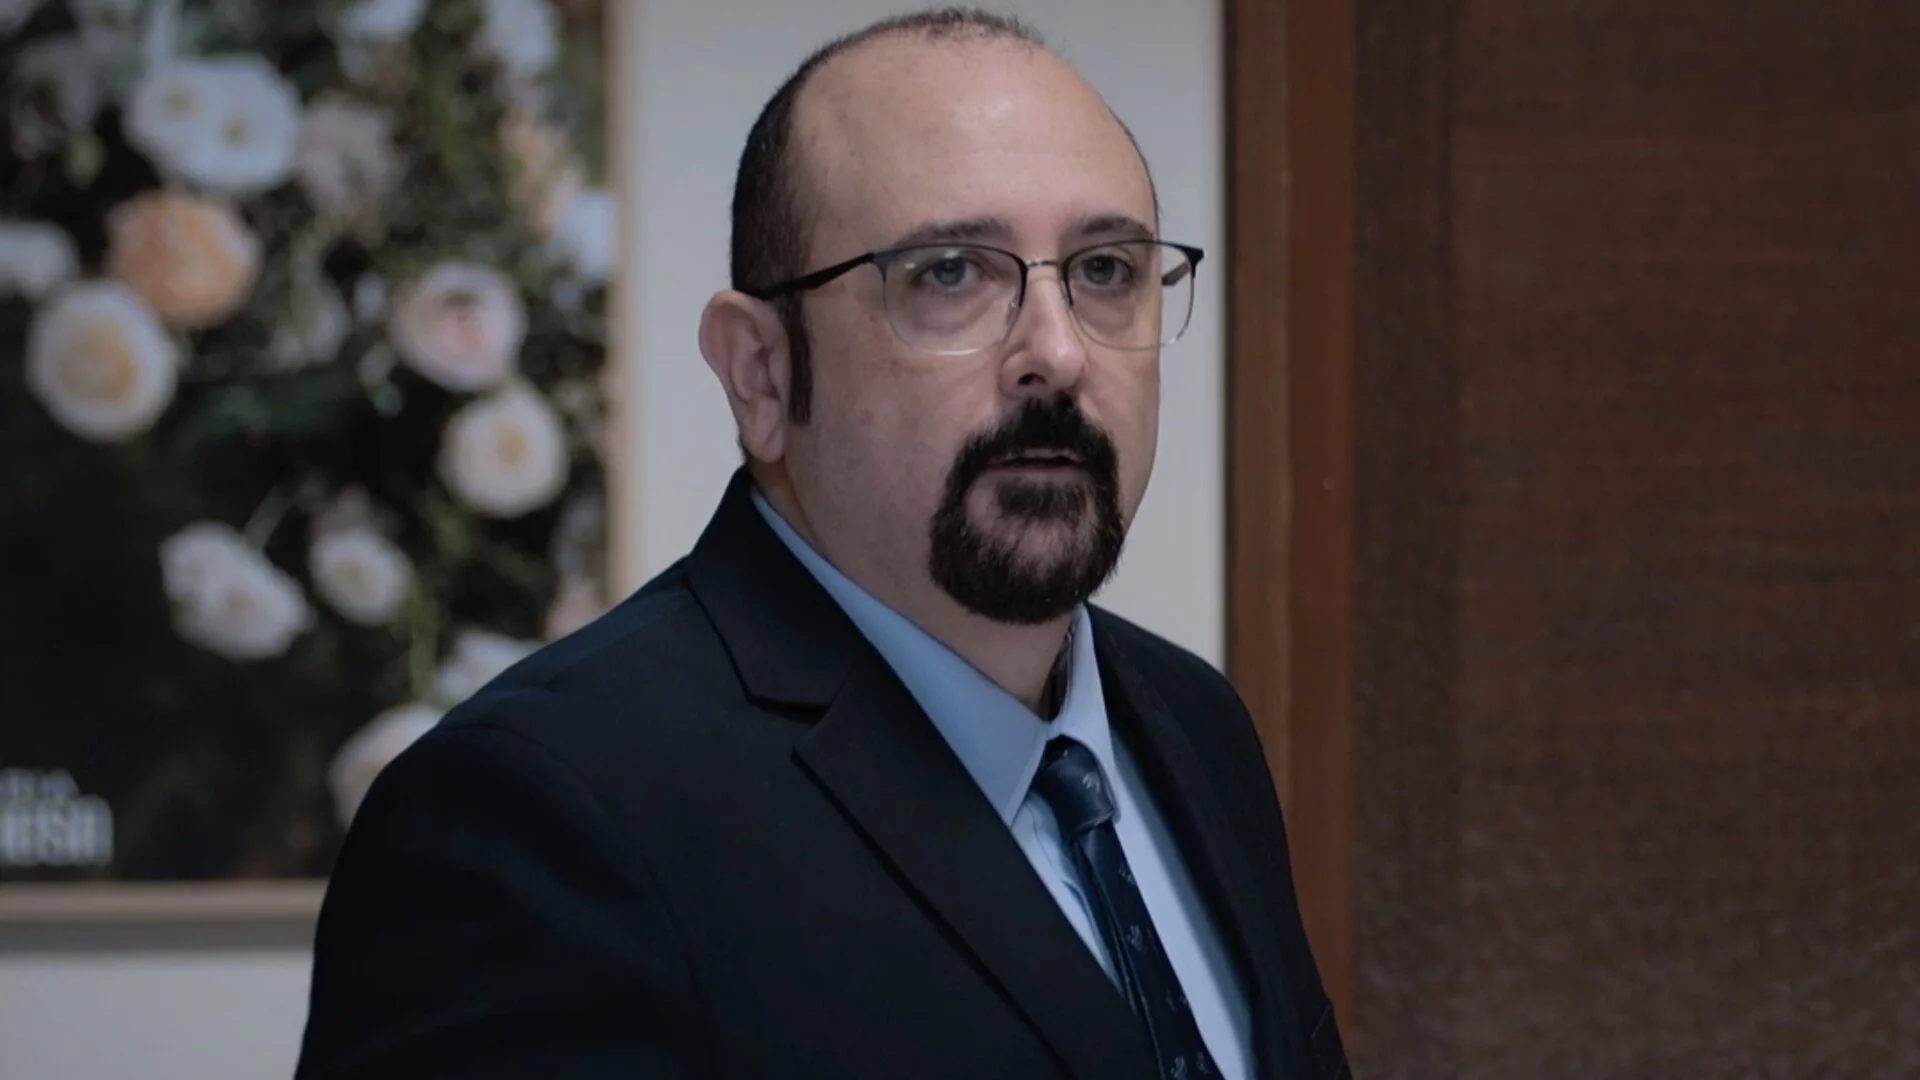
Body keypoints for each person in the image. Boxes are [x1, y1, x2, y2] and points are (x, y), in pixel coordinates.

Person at [295, 8, 1348, 1080]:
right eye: (950, 273)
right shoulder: (540, 818)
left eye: (1107, 270)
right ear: (760, 373)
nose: (1059, 352)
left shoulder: (1196, 726)